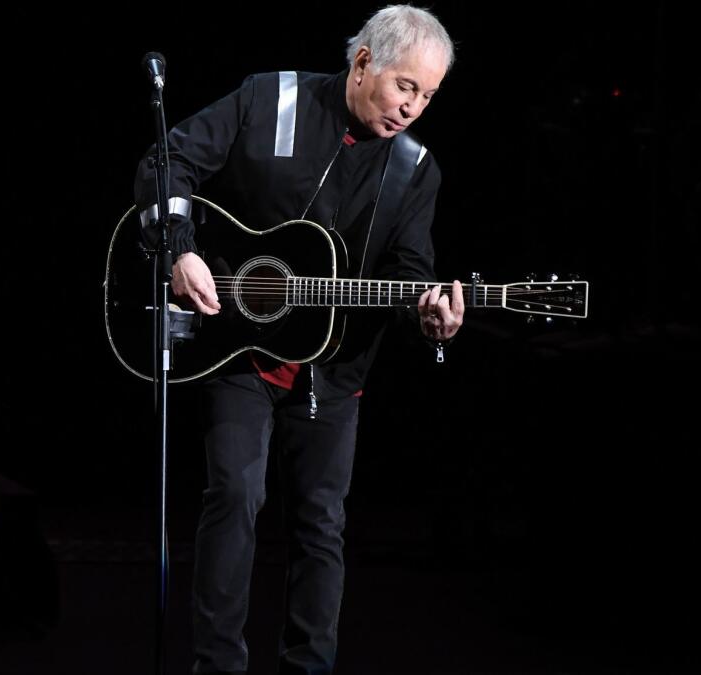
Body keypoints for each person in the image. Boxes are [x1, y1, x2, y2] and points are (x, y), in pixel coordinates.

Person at [133, 5, 464, 673]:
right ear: (364, 61)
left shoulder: (416, 168)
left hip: (333, 371)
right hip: (235, 347)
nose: (413, 108)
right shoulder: (269, 98)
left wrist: (429, 313)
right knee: (235, 494)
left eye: (428, 96)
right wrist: (179, 251)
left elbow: (412, 272)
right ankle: (216, 666)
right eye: (406, 86)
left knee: (321, 525)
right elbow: (166, 164)